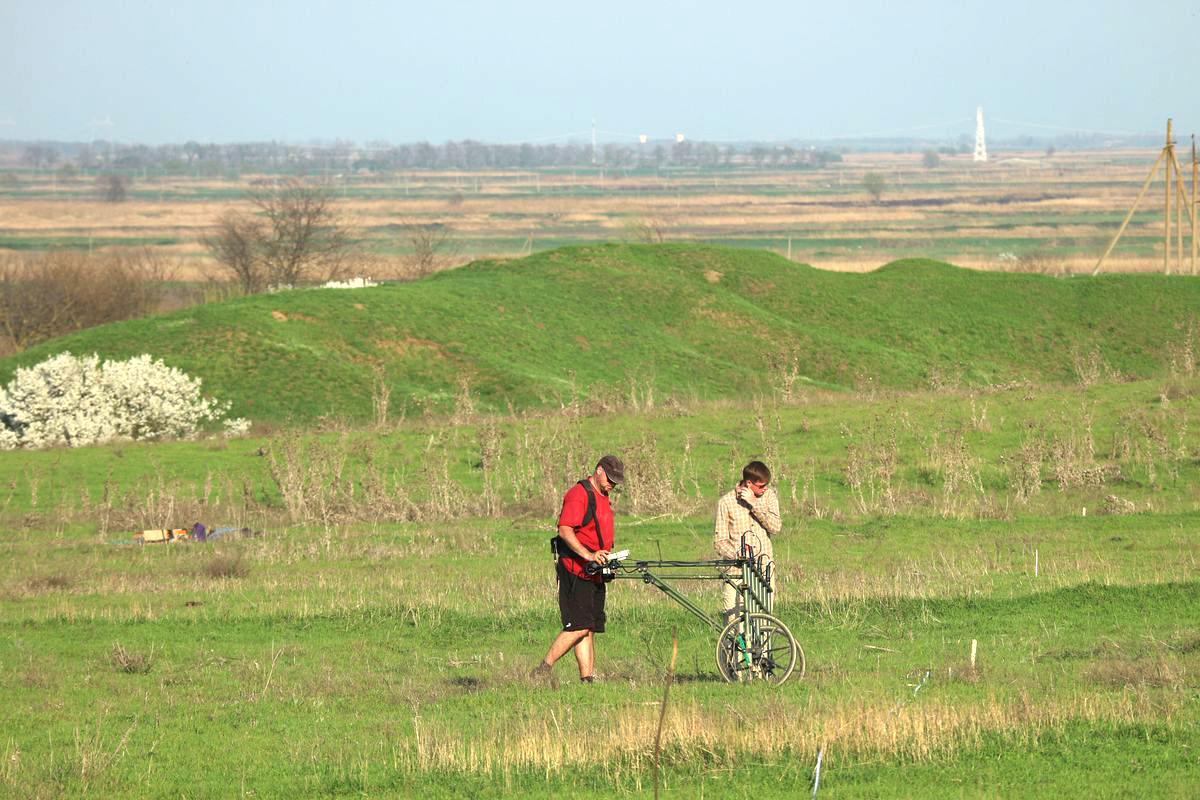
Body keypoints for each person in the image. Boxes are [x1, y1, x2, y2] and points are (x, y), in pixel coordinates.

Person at [531, 454, 624, 684]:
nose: (612, 484)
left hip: (595, 570)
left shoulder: (603, 496)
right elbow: (565, 529)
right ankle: (542, 670)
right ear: (599, 470)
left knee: (588, 627)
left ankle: (587, 679)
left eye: (616, 481)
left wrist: (606, 558)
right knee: (578, 626)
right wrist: (588, 555)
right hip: (576, 570)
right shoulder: (579, 495)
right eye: (610, 478)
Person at [712, 460, 781, 615]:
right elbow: (719, 542)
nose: (766, 488)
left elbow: (776, 527)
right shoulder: (726, 502)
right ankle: (737, 641)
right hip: (737, 573)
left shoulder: (769, 497)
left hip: (764, 570)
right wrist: (739, 555)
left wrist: (755, 504)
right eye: (762, 485)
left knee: (763, 619)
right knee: (734, 621)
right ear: (749, 483)